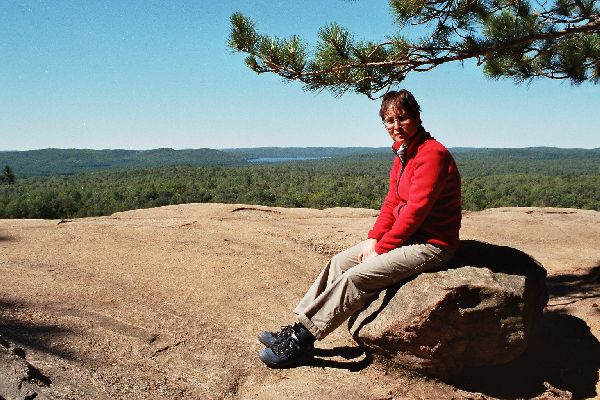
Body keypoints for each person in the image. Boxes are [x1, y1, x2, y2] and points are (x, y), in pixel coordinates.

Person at [258, 89, 462, 368]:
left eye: (402, 118)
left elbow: (416, 211)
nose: (395, 126)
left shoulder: (432, 154)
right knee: (339, 262)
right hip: (408, 238)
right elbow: (392, 202)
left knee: (356, 277)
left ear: (417, 117)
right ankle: (298, 327)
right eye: (389, 121)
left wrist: (384, 248)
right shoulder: (403, 153)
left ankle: (301, 341)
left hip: (432, 244)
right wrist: (374, 239)